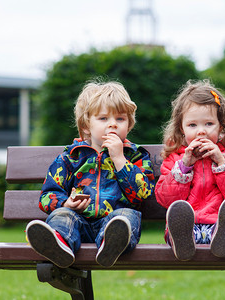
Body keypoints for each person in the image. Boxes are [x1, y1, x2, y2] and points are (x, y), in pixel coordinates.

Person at [26, 80, 155, 268]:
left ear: (129, 124)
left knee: (126, 216)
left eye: (120, 119)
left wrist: (119, 159)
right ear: (87, 126)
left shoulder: (135, 155)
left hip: (113, 224)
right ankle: (59, 245)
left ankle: (110, 246)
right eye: (103, 119)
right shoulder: (71, 157)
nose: (112, 125)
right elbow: (47, 196)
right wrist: (65, 203)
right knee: (62, 215)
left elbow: (142, 194)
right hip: (78, 225)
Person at [155, 79, 225, 261]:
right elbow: (165, 198)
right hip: (187, 226)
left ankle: (223, 237)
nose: (201, 131)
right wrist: (184, 167)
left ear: (221, 127)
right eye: (192, 125)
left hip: (219, 224)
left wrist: (221, 162)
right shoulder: (175, 159)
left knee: (224, 227)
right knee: (180, 222)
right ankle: (183, 240)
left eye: (208, 124)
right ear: (182, 129)